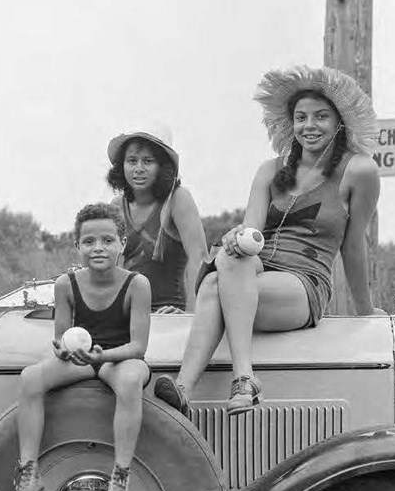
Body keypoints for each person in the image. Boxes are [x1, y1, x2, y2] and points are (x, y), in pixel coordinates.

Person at [154, 65, 382, 415]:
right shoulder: (269, 170)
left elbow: (354, 246)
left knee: (217, 285)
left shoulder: (360, 171)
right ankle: (204, 385)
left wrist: (366, 312)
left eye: (321, 116)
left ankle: (223, 381)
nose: (310, 126)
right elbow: (252, 236)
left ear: (339, 122)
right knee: (224, 267)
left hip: (303, 281)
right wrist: (235, 239)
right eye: (301, 117)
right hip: (256, 271)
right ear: (291, 124)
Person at [9, 203, 151, 491]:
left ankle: (120, 480)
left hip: (121, 358)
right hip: (84, 358)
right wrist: (62, 351)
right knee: (30, 378)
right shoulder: (66, 285)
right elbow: (61, 338)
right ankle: (29, 473)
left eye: (107, 240)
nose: (97, 248)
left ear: (122, 244)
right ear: (77, 247)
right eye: (88, 242)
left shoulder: (137, 284)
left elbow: (138, 347)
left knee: (129, 381)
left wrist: (103, 355)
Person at [105, 126, 207, 312]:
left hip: (170, 313)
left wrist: (191, 317)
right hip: (130, 313)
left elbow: (198, 259)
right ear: (122, 165)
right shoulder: (117, 206)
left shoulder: (178, 199)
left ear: (162, 166)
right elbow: (114, 266)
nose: (138, 169)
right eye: (132, 161)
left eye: (148, 161)